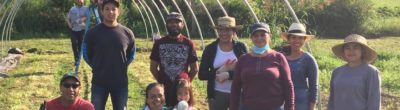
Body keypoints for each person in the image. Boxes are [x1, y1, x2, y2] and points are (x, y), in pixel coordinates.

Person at [82, 0, 136, 110]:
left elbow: (131, 55)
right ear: (102, 11)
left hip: (120, 82)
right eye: (107, 9)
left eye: (113, 9)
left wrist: (121, 65)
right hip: (99, 82)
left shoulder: (127, 33)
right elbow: (86, 54)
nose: (110, 12)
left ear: (118, 11)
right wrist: (96, 66)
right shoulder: (92, 33)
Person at [230, 23, 294, 110]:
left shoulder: (278, 57)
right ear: (251, 38)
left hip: (274, 107)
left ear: (270, 36)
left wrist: (290, 107)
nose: (259, 38)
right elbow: (235, 87)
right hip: (248, 107)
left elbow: (288, 85)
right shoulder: (243, 59)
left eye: (263, 35)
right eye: (255, 35)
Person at [149, 12, 199, 107]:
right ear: (166, 25)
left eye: (177, 22)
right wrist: (161, 80)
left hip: (181, 92)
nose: (174, 24)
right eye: (170, 22)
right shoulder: (159, 43)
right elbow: (153, 67)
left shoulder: (188, 43)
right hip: (164, 89)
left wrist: (185, 82)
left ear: (182, 24)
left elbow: (195, 68)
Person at [198, 16, 248, 110]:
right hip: (217, 94)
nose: (224, 33)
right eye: (220, 30)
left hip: (238, 93)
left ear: (233, 31)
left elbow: (246, 72)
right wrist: (222, 69)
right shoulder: (210, 49)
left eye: (227, 30)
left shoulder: (241, 48)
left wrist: (228, 74)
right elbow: (202, 75)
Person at [328, 34, 381, 110]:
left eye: (355, 47)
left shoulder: (371, 72)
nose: (351, 51)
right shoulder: (337, 72)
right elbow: (332, 100)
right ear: (344, 51)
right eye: (347, 48)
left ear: (362, 51)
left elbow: (374, 102)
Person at [280, 23, 318, 110]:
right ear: (288, 39)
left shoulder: (308, 59)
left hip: (301, 102)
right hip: (283, 101)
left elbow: (313, 87)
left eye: (300, 38)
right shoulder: (281, 57)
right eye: (293, 37)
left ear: (304, 40)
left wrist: (312, 107)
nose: (297, 40)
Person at [67, 0, 89, 66]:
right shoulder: (72, 9)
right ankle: (76, 59)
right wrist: (69, 24)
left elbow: (88, 16)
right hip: (73, 29)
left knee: (80, 45)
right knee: (74, 43)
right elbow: (68, 18)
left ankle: (78, 60)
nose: (79, 0)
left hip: (82, 30)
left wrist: (83, 19)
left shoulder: (86, 8)